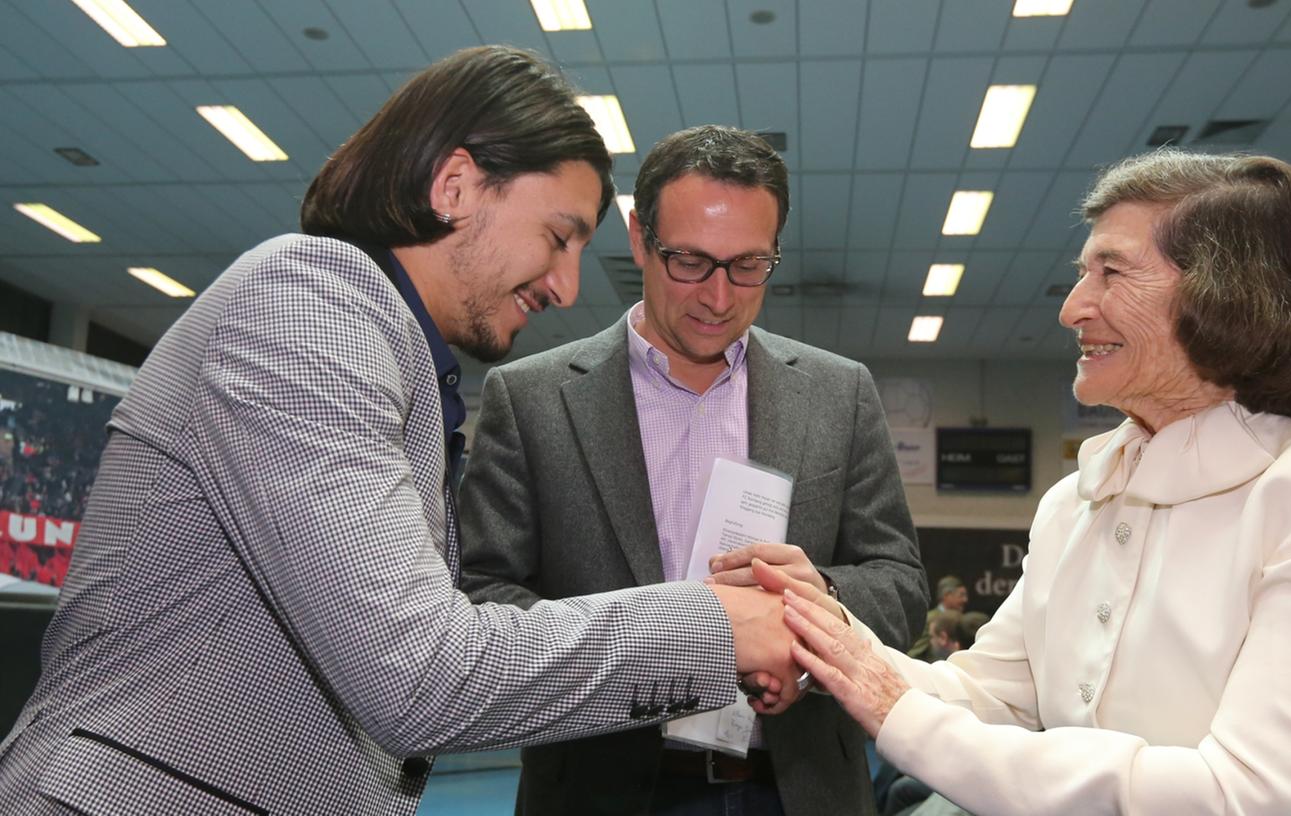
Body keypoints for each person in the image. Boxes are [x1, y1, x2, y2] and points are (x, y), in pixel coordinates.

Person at [0, 47, 801, 816]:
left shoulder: (389, 350)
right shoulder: (308, 306)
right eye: (558, 238)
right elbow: (419, 674)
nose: (564, 286)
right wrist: (710, 624)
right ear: (454, 185)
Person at [766, 147, 1291, 815]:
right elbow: (987, 696)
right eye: (1082, 273)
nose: (1072, 308)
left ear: (1232, 297)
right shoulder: (1077, 499)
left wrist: (897, 712)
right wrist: (823, 623)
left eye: (1112, 273)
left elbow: (1242, 796)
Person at [457, 124, 926, 816]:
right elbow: (481, 597)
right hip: (600, 789)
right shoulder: (531, 399)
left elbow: (900, 583)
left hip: (795, 790)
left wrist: (812, 615)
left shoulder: (838, 393)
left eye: (749, 266)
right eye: (691, 263)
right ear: (640, 237)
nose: (718, 297)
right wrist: (670, 646)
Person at [907, 575, 968, 660]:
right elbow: (916, 652)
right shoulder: (929, 619)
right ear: (947, 595)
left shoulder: (963, 619)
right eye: (961, 595)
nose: (965, 600)